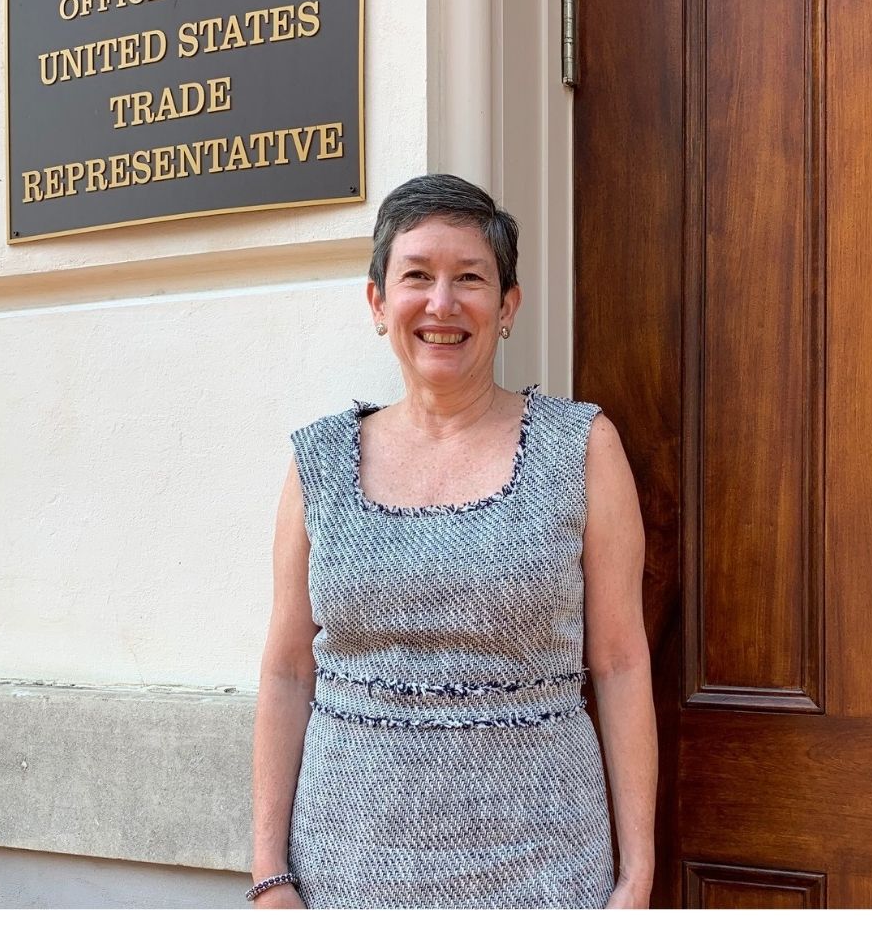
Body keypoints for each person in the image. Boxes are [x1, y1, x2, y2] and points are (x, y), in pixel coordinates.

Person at [249, 173, 656, 909]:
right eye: (417, 277)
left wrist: (637, 875)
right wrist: (268, 875)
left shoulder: (583, 448)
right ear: (379, 303)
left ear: (507, 308)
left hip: (542, 867)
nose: (442, 303)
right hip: (344, 868)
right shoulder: (318, 463)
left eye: (470, 278)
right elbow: (286, 672)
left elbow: (622, 663)